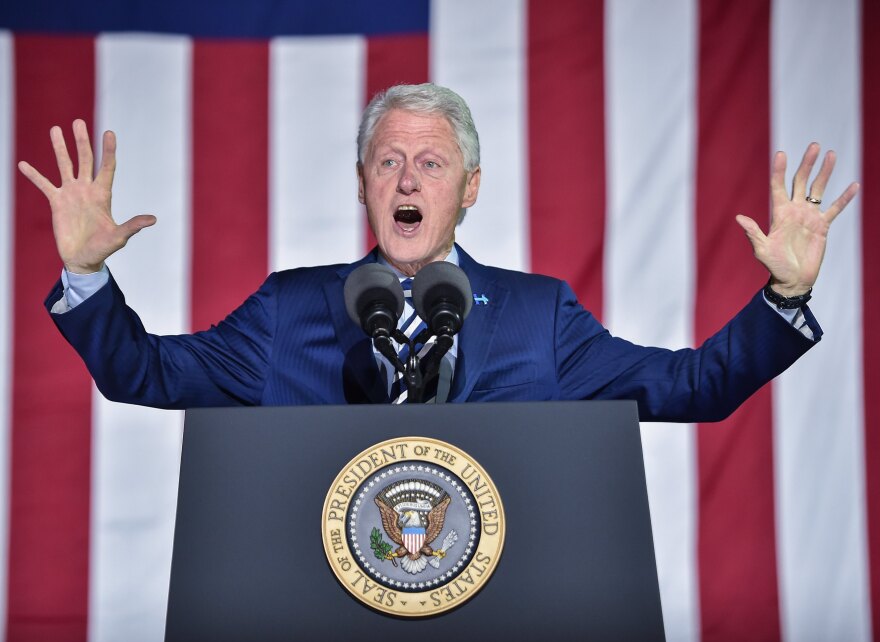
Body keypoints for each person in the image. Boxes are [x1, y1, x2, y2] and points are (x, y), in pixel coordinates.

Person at [17, 84, 859, 418]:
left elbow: (695, 388)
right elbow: (146, 375)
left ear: (470, 189)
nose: (407, 179)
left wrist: (783, 298)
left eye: (431, 163)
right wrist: (86, 273)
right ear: (363, 187)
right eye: (388, 162)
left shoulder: (540, 315)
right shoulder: (286, 310)